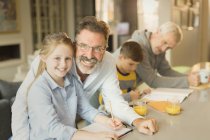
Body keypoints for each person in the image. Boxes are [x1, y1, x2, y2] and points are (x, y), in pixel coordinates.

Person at [12, 16, 158, 140]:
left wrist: (136, 120)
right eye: (83, 46)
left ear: (106, 48)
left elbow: (94, 106)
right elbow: (21, 105)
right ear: (75, 45)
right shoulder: (49, 61)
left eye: (98, 48)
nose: (89, 55)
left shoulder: (77, 78)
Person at [27, 32, 123, 139]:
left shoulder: (72, 81)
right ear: (44, 58)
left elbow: (85, 109)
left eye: (67, 58)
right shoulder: (39, 90)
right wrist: (95, 137)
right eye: (57, 58)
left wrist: (107, 121)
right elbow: (53, 129)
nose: (63, 64)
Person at [114, 22, 200, 88]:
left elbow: (166, 71)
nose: (163, 49)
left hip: (129, 90)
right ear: (158, 32)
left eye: (168, 48)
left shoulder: (159, 49)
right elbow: (153, 81)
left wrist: (189, 77)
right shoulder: (138, 47)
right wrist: (187, 81)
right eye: (164, 42)